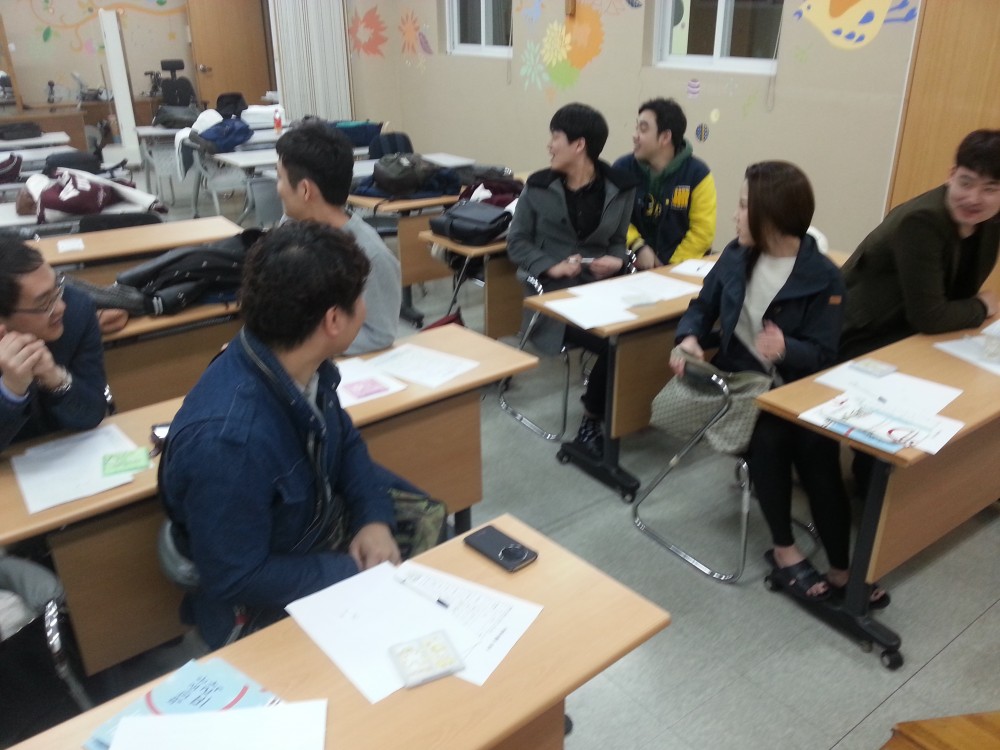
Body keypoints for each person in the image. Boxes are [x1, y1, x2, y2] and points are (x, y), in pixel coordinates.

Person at [159, 222, 419, 649]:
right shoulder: (230, 444)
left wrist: (373, 519)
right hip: (262, 601)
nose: (366, 308)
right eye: (360, 298)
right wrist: (350, 573)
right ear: (333, 320)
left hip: (310, 538)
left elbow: (344, 441)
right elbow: (236, 576)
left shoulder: (298, 363)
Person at [672, 161, 886, 606]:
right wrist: (689, 337)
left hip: (797, 389)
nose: (735, 216)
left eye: (743, 206)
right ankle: (785, 551)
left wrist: (787, 348)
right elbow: (702, 305)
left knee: (818, 452)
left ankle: (843, 568)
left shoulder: (824, 277)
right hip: (738, 386)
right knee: (771, 439)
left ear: (770, 217)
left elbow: (824, 355)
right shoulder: (735, 256)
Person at [506, 103, 638, 457]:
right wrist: (550, 266)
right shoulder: (538, 187)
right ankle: (591, 419)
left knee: (642, 335)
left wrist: (617, 259)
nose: (549, 146)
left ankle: (624, 410)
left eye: (556, 138)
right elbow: (516, 242)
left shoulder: (620, 188)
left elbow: (618, 240)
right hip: (555, 300)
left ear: (579, 145)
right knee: (615, 344)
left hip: (602, 291)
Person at [840, 129, 1000, 360]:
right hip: (865, 335)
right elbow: (929, 317)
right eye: (966, 183)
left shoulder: (990, 220)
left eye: (990, 189)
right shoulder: (922, 222)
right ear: (951, 175)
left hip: (915, 334)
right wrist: (981, 306)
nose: (973, 198)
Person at [275, 121, 401, 355]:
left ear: (305, 190)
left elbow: (380, 334)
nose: (278, 188)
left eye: (279, 177)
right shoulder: (289, 227)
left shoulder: (370, 255)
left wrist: (304, 343)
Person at [0, 240, 107, 452]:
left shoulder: (77, 312)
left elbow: (94, 412)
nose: (60, 307)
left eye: (57, 289)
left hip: (67, 451)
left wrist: (56, 379)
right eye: (44, 303)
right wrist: (11, 390)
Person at [613, 97, 716, 270]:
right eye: (636, 128)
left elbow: (702, 232)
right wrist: (638, 246)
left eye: (643, 129)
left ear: (665, 137)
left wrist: (670, 268)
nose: (635, 136)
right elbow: (614, 218)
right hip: (633, 265)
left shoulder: (698, 174)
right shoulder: (622, 169)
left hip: (681, 268)